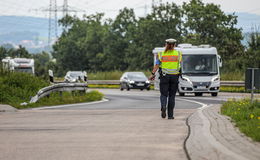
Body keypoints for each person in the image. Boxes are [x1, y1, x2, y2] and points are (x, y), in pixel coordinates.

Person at [149, 38, 182, 119]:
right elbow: (180, 65)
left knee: (164, 94)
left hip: (164, 77)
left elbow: (156, 65)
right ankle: (170, 116)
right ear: (174, 45)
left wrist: (152, 74)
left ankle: (163, 106)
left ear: (166, 44)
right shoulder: (178, 53)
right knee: (172, 96)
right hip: (174, 77)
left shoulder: (161, 54)